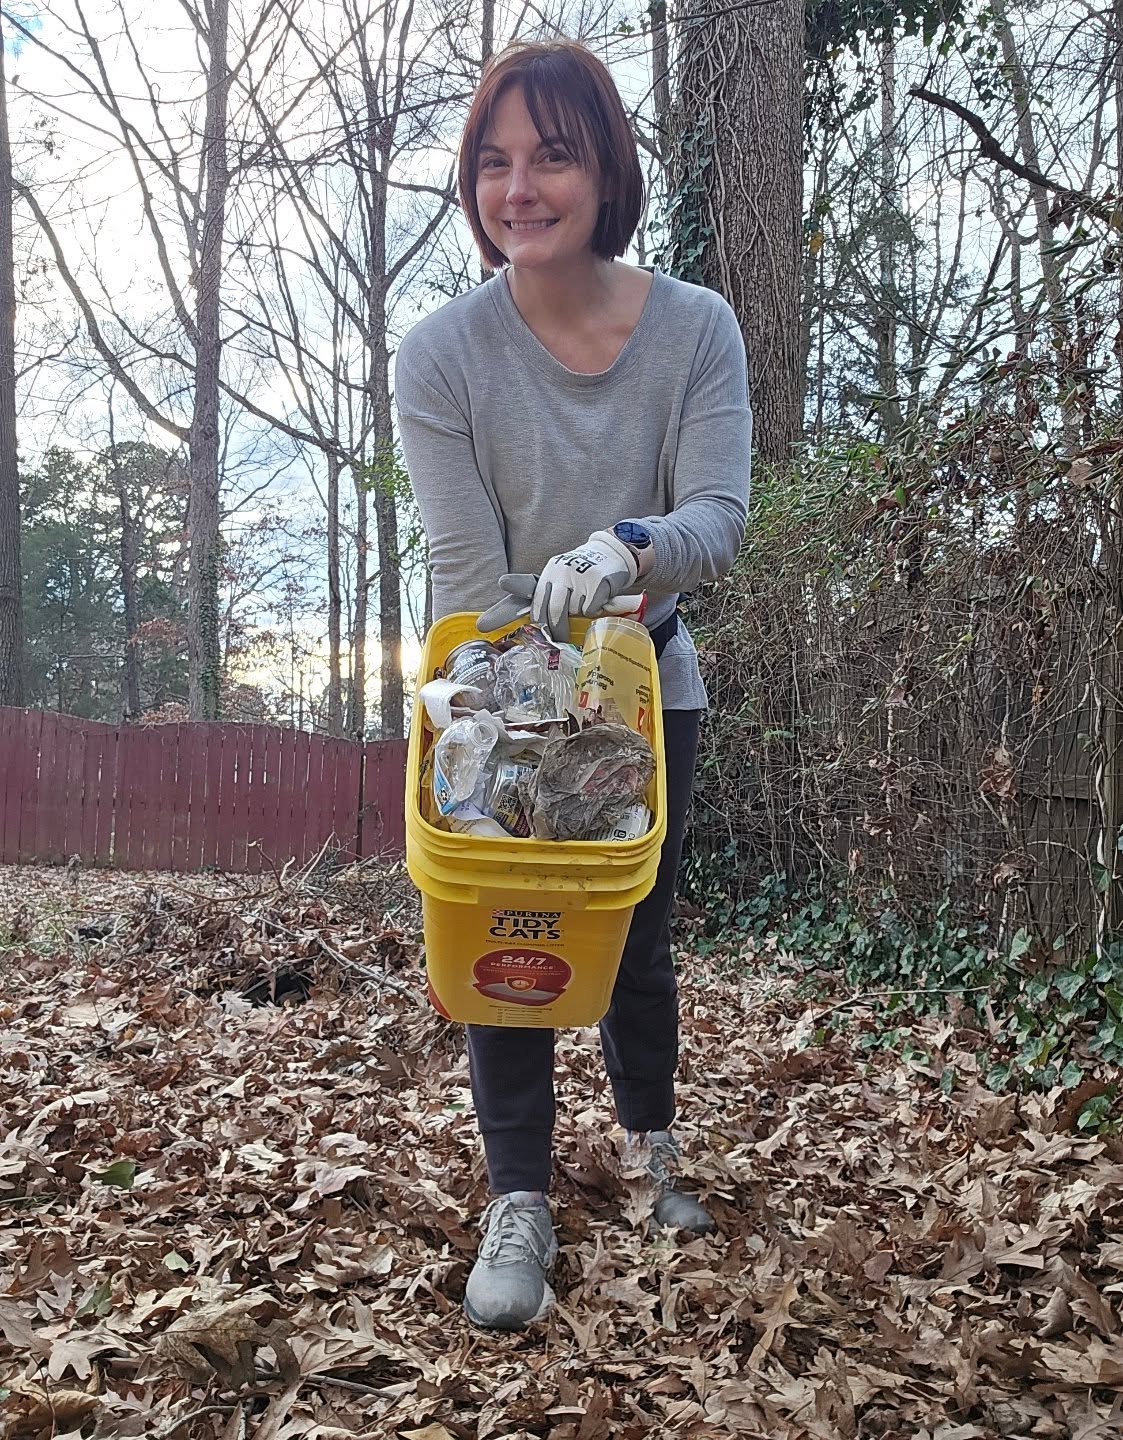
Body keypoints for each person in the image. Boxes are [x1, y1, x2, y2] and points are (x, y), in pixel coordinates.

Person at [394, 38, 752, 1332]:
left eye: (551, 153)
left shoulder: (696, 329)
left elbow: (719, 512)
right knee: (501, 930)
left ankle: (653, 1143)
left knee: (636, 933)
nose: (519, 187)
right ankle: (520, 1200)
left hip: (652, 687)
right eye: (493, 161)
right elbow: (466, 568)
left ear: (606, 165)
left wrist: (628, 554)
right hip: (493, 690)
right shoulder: (442, 356)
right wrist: (516, 702)